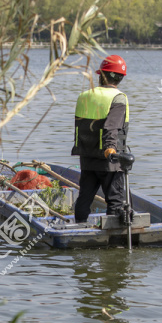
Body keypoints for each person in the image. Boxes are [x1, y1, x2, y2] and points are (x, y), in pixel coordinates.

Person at [71, 54, 131, 224]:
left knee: (85, 198)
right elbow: (111, 127)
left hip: (88, 157)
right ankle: (113, 241)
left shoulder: (85, 95)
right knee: (115, 201)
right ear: (120, 78)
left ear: (101, 75)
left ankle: (79, 228)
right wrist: (111, 148)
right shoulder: (118, 98)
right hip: (109, 160)